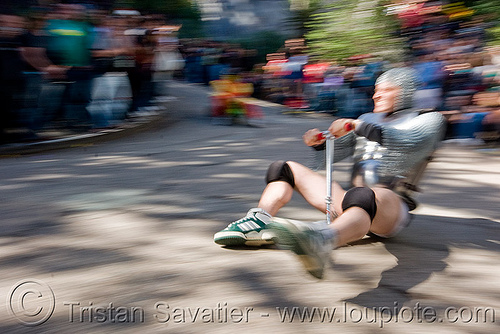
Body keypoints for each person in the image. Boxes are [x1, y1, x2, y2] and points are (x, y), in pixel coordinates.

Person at [214, 67, 447, 279]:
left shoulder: (429, 120)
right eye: (376, 90)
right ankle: (257, 221)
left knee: (365, 194)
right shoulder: (368, 119)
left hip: (391, 208)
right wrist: (319, 143)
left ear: (405, 92)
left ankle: (322, 240)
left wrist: (357, 126)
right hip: (352, 199)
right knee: (284, 168)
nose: (376, 96)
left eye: (386, 90)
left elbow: (408, 143)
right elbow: (342, 148)